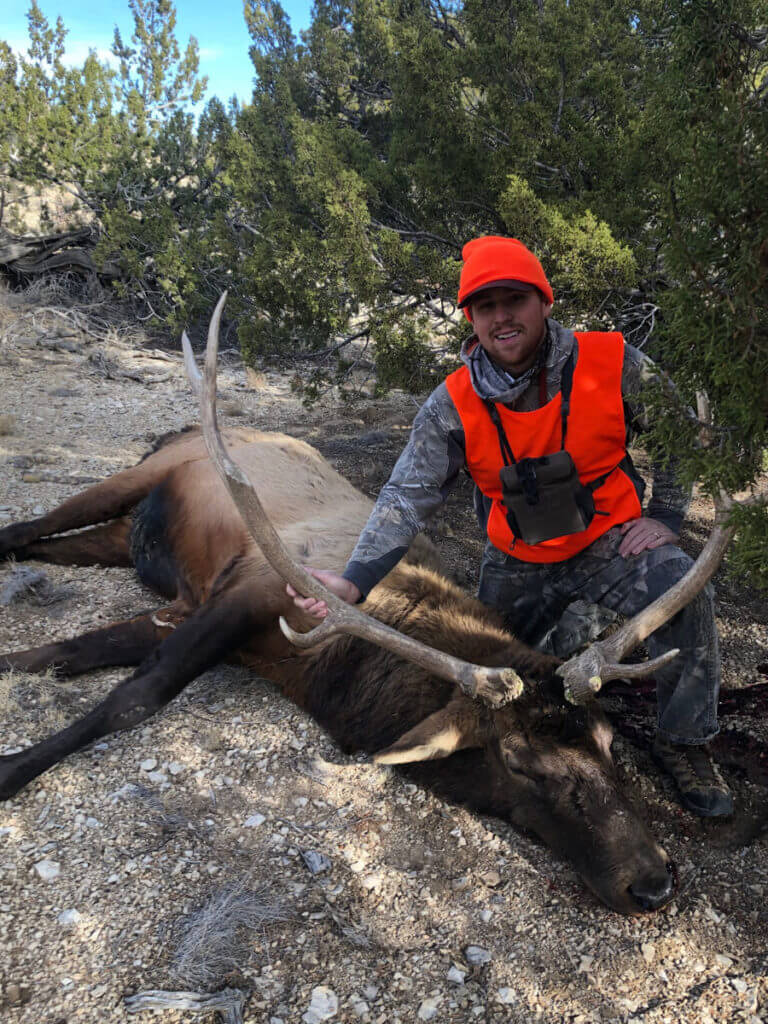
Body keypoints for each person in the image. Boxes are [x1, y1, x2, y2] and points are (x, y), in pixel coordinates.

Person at [288, 235, 732, 818]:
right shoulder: (452, 403)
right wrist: (355, 580)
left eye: (514, 299)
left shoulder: (612, 360)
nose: (501, 316)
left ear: (544, 303)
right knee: (498, 675)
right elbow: (405, 496)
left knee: (686, 592)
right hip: (517, 558)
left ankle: (685, 741)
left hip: (611, 540)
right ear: (471, 319)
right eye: (484, 305)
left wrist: (669, 515)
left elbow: (680, 431)